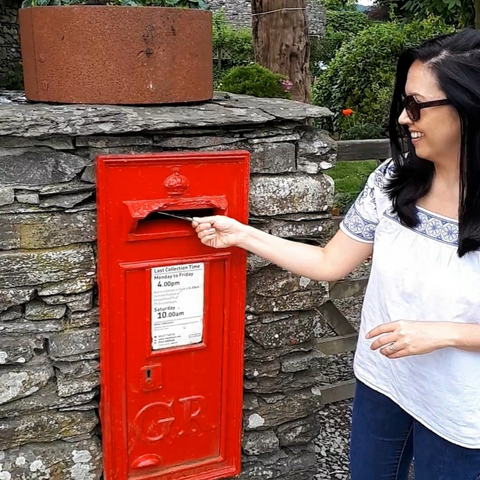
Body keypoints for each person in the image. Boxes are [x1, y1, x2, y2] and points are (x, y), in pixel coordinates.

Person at [192, 29, 480, 480]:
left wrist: (446, 333)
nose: (404, 119)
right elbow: (330, 261)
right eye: (403, 102)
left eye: (417, 105)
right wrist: (242, 235)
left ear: (470, 107)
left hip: (463, 408)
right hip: (383, 382)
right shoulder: (393, 180)